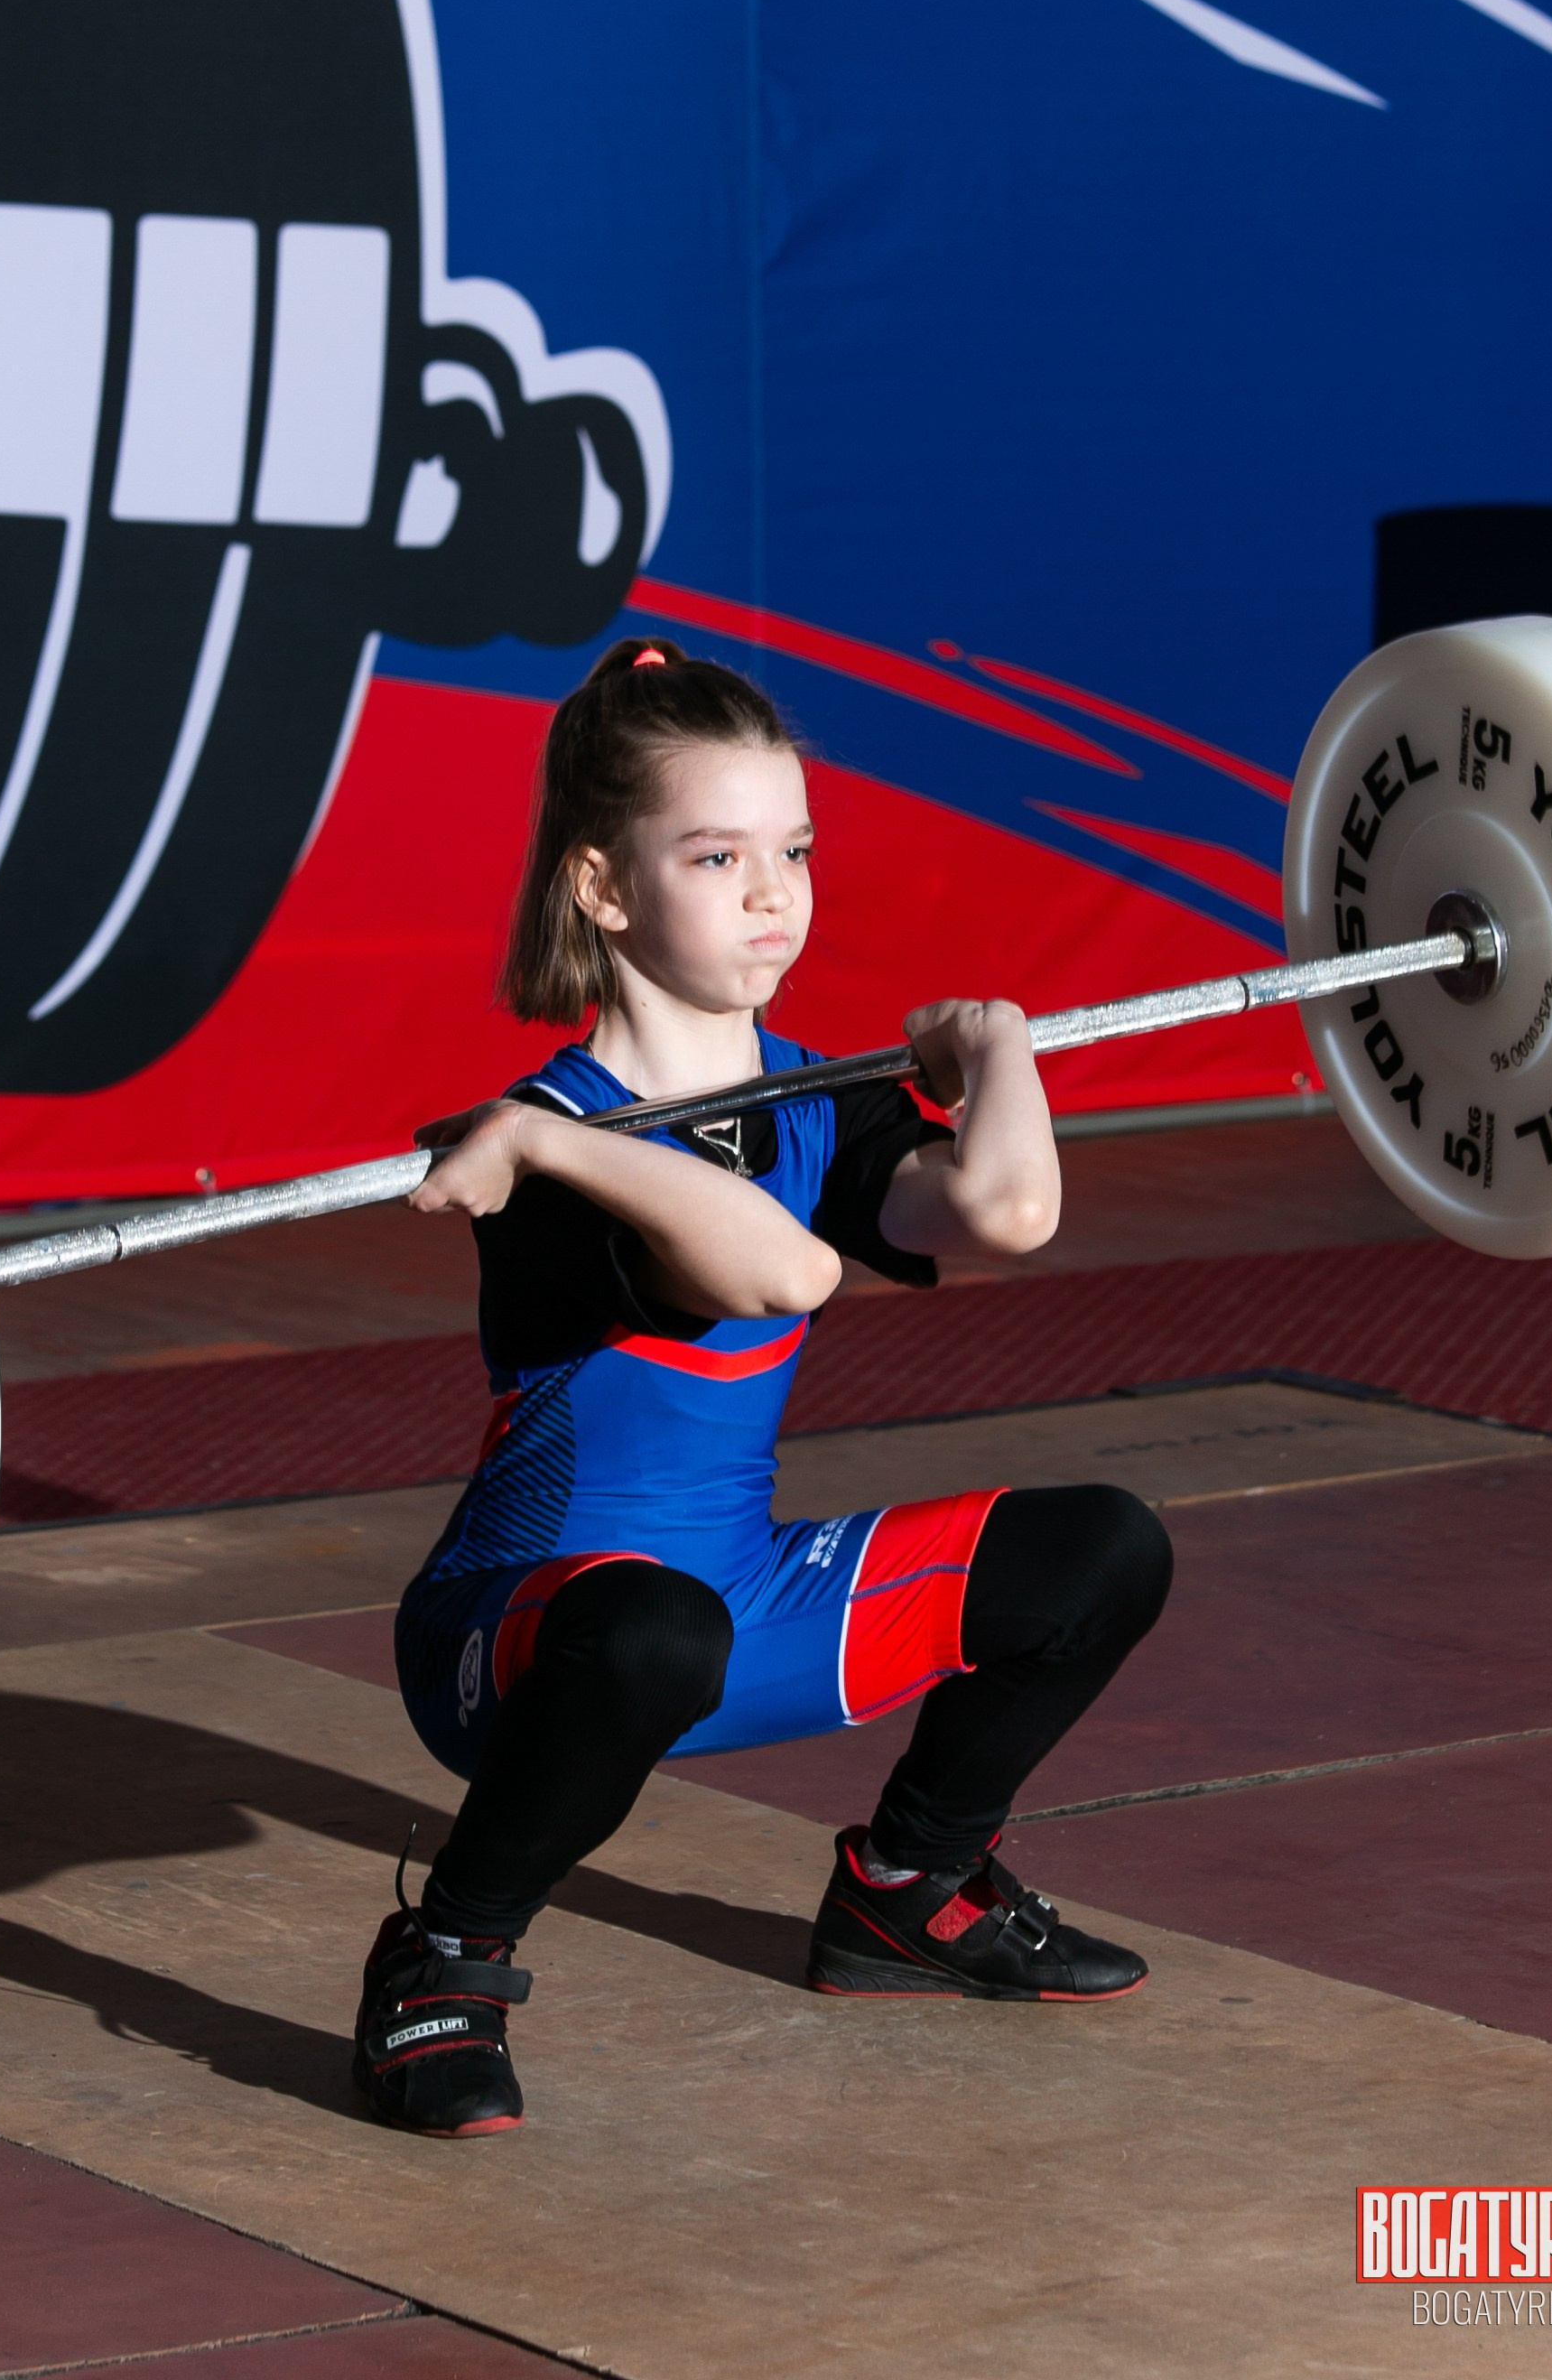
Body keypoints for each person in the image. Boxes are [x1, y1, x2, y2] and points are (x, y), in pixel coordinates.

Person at [354, 638, 1173, 2136]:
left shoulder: (802, 1093)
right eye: (717, 854)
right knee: (656, 1629)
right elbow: (780, 1276)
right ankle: (445, 1963)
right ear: (603, 888)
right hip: (526, 1638)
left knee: (1104, 1548)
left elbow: (1004, 1213)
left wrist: (1000, 1051)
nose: (773, 893)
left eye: (792, 850)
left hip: (738, 1609)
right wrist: (537, 1143)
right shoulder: (543, 1146)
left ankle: (908, 1890)